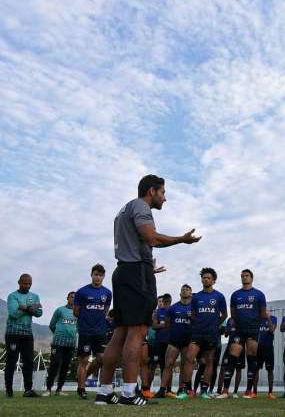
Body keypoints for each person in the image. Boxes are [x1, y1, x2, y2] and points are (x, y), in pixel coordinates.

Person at [101, 174, 201, 407]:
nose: (165, 198)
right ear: (151, 191)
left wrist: (146, 268)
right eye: (163, 192)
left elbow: (136, 243)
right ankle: (128, 393)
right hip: (136, 273)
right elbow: (152, 238)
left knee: (121, 333)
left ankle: (105, 391)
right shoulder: (141, 206)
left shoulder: (125, 209)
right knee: (137, 332)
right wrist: (181, 239)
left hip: (125, 271)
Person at [178, 268, 227, 399]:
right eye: (204, 277)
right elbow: (193, 315)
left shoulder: (219, 296)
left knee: (209, 361)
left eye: (208, 278)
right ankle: (186, 389)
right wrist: (199, 322)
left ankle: (204, 390)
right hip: (197, 333)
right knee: (189, 358)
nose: (206, 279)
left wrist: (215, 325)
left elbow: (225, 315)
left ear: (214, 280)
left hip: (212, 334)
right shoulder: (196, 297)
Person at [74, 264, 112, 400]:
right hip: (85, 331)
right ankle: (81, 388)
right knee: (84, 359)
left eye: (100, 275)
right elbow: (76, 311)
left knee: (102, 358)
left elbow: (105, 311)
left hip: (100, 331)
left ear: (104, 277)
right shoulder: (81, 292)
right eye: (96, 274)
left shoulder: (107, 293)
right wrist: (86, 320)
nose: (98, 277)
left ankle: (83, 378)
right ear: (91, 275)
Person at [229, 269, 268, 398]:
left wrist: (255, 322)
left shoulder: (259, 294)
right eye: (242, 276)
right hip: (239, 331)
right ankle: (225, 391)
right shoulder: (235, 295)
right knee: (232, 357)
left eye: (246, 276)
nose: (244, 278)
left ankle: (249, 391)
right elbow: (233, 314)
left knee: (252, 358)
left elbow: (263, 314)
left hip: (252, 331)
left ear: (251, 278)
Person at [5, 274, 43, 398]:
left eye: (29, 284)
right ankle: (9, 390)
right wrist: (31, 308)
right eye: (24, 283)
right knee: (11, 361)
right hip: (13, 333)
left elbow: (39, 313)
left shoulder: (35, 296)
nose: (27, 285)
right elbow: (14, 313)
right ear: (19, 282)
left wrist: (24, 307)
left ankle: (28, 390)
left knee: (28, 361)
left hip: (27, 334)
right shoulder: (12, 296)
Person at [162, 285, 193, 398]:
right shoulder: (173, 308)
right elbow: (167, 324)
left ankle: (182, 389)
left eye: (187, 289)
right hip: (174, 341)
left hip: (188, 341)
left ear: (191, 293)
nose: (185, 291)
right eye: (183, 289)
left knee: (185, 365)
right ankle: (162, 390)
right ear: (180, 293)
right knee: (168, 364)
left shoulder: (194, 308)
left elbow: (198, 323)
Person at [45, 291, 78, 396]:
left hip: (71, 344)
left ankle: (59, 390)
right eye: (71, 297)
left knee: (65, 366)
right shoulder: (60, 310)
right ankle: (48, 389)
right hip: (58, 343)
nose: (73, 299)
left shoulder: (78, 313)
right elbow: (52, 325)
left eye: (75, 298)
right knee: (54, 364)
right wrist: (59, 334)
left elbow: (79, 327)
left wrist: (73, 334)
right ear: (67, 298)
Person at [148, 294, 172, 398]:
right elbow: (154, 326)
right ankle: (146, 389)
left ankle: (167, 390)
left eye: (165, 301)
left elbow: (172, 325)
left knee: (166, 366)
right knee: (152, 365)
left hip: (169, 343)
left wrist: (161, 325)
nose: (163, 303)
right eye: (161, 301)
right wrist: (164, 325)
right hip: (158, 343)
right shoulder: (158, 312)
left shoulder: (172, 311)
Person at [254, 312, 278, 398]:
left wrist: (268, 318)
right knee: (256, 369)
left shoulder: (273, 318)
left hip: (268, 348)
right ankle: (254, 392)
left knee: (270, 370)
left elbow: (272, 330)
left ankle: (270, 393)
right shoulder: (257, 319)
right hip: (258, 348)